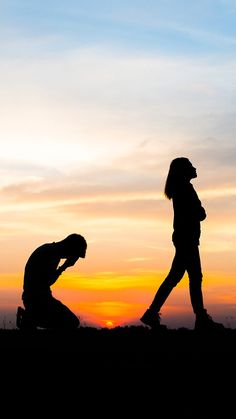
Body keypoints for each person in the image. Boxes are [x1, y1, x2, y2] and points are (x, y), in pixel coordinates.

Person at [140, 157, 225, 331]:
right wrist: (200, 211)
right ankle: (200, 319)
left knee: (178, 277)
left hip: (184, 237)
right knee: (193, 278)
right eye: (190, 166)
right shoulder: (185, 188)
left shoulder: (181, 188)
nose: (195, 168)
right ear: (184, 171)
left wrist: (198, 212)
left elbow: (196, 212)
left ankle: (153, 313)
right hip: (187, 238)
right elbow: (198, 213)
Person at [16, 233, 87, 330]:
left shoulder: (49, 250)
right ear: (71, 248)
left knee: (68, 322)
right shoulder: (51, 254)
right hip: (38, 300)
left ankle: (30, 318)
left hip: (36, 298)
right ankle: (30, 318)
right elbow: (48, 281)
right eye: (75, 255)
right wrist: (64, 266)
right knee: (71, 322)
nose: (74, 258)